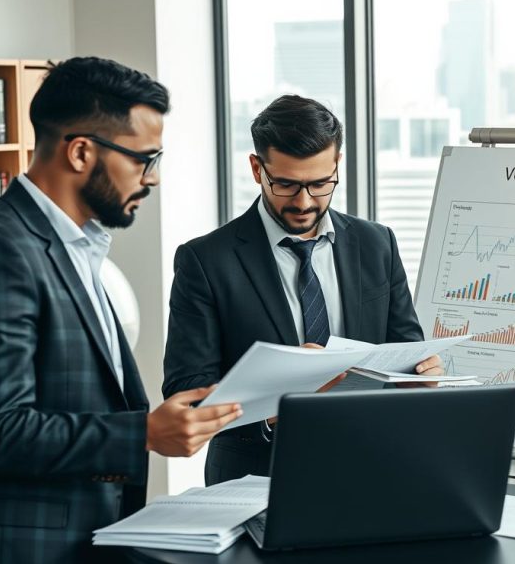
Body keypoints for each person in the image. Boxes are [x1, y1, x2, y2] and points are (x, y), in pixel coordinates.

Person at [0, 57, 243, 564]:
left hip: (86, 541)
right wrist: (145, 433)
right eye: (143, 159)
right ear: (82, 152)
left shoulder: (79, 247)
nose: (151, 179)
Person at [163, 95, 443, 485]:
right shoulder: (206, 260)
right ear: (257, 168)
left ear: (337, 166)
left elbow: (405, 348)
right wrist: (280, 399)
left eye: (320, 184)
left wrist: (422, 377)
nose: (304, 202)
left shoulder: (377, 244)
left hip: (371, 469)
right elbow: (187, 394)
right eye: (287, 185)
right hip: (257, 478)